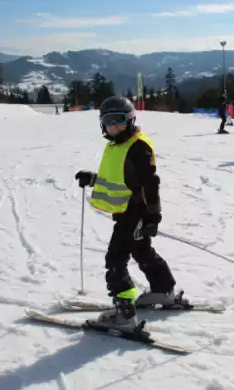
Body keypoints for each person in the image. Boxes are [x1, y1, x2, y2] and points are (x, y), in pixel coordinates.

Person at [74, 95, 177, 331]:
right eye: (108, 121)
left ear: (130, 120)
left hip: (135, 214)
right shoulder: (117, 145)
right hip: (126, 211)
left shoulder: (137, 147)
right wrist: (94, 179)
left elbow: (150, 184)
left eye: (118, 120)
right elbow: (120, 180)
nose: (113, 126)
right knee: (142, 251)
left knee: (115, 260)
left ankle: (125, 314)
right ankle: (163, 290)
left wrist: (153, 216)